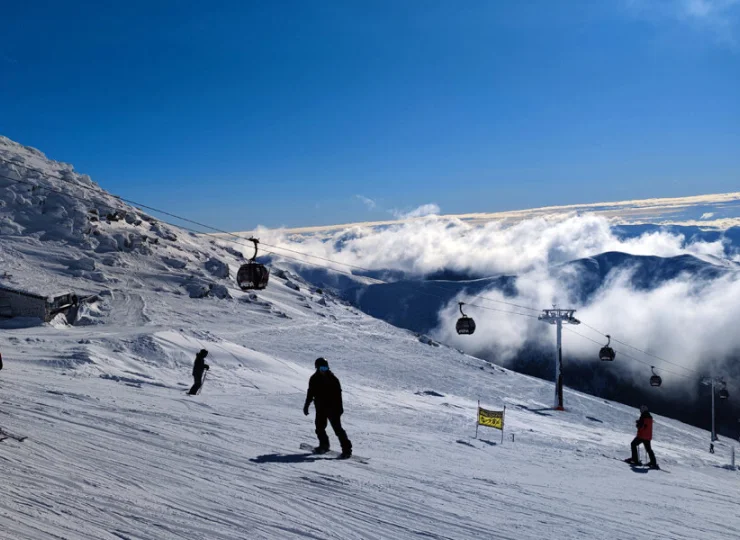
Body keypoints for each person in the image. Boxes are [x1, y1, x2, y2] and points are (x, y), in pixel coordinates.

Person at [303, 357, 352, 458]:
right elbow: (310, 393)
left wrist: (340, 408)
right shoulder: (314, 379)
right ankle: (324, 445)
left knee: (338, 429)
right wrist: (306, 405)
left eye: (325, 368)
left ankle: (347, 450)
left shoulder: (333, 379)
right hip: (320, 408)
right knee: (319, 428)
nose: (324, 370)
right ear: (317, 368)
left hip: (333, 408)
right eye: (322, 368)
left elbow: (339, 395)